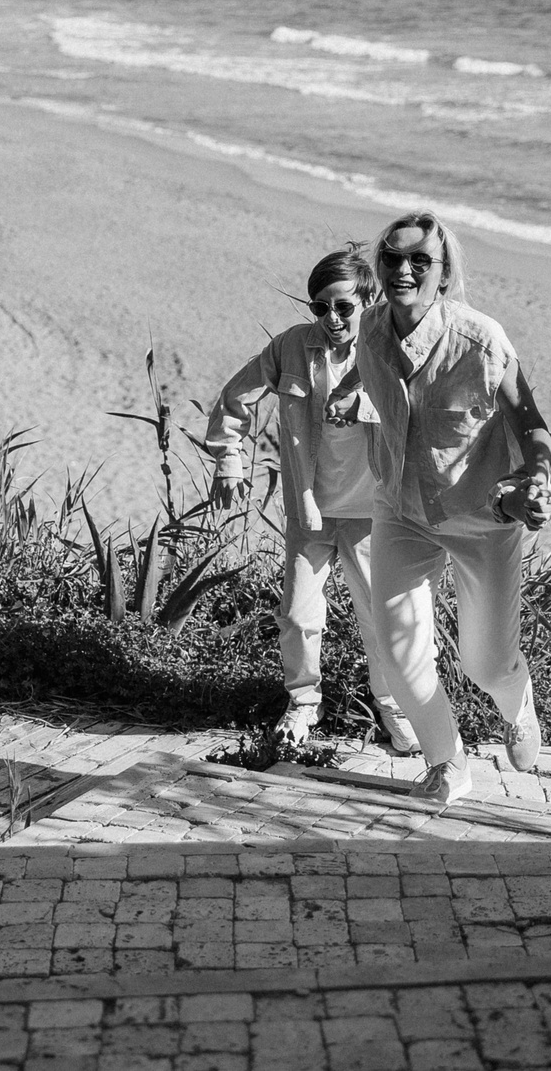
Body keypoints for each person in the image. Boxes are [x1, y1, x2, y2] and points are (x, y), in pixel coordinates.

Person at [356, 211, 551, 805]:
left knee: (486, 664)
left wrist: (538, 477)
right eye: (392, 257)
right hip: (399, 508)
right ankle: (447, 762)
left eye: (421, 260)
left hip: (480, 517)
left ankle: (515, 704)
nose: (404, 269)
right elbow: (370, 391)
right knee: (397, 653)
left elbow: (532, 423)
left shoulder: (481, 340)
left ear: (444, 275)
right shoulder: (369, 330)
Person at [205, 245, 417, 754]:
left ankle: (394, 708)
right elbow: (237, 397)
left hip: (374, 513)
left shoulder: (392, 352)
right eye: (320, 306)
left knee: (380, 620)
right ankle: (303, 703)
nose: (332, 317)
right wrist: (229, 459)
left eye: (344, 306)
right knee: (299, 615)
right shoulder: (292, 348)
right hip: (311, 510)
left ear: (370, 301)